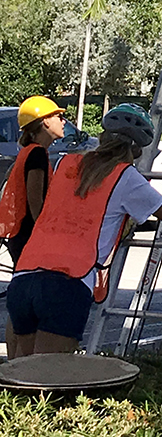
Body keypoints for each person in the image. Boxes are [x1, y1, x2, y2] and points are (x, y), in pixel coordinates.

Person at [5, 103, 162, 358]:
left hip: (25, 275)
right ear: (136, 149)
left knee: (21, 372)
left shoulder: (67, 163)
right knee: (50, 372)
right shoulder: (126, 176)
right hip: (68, 282)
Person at [0, 95, 66, 358]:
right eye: (58, 116)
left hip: (21, 235)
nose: (63, 121)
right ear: (44, 122)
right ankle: (19, 360)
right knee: (26, 302)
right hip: (29, 237)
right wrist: (45, 237)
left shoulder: (29, 152)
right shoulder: (37, 154)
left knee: (20, 298)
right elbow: (35, 200)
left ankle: (13, 360)